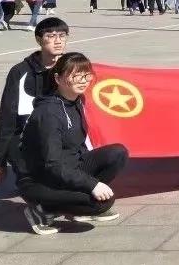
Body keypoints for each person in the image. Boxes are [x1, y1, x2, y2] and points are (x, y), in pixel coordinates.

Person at [15, 53, 129, 235]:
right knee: (102, 203)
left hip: (68, 167)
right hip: (41, 180)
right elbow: (52, 164)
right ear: (58, 78)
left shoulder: (75, 101)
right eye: (76, 75)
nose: (83, 80)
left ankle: (75, 204)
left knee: (117, 153)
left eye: (86, 75)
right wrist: (91, 185)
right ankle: (42, 209)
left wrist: (87, 182)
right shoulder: (48, 113)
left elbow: (78, 147)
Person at [0, 17, 69, 188]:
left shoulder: (71, 68)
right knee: (33, 183)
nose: (58, 41)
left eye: (62, 35)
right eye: (51, 36)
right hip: (25, 138)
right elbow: (7, 118)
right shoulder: (20, 72)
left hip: (60, 137)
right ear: (39, 40)